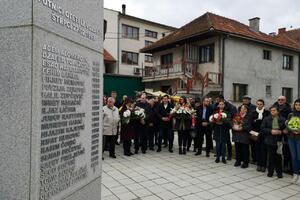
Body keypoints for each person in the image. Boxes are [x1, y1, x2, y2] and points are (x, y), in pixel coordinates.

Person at [261, 106, 285, 178]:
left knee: (278, 157)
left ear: (277, 111)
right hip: (269, 140)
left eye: (274, 110)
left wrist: (280, 132)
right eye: (271, 110)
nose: (272, 112)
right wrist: (271, 131)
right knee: (270, 157)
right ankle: (270, 171)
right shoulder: (266, 119)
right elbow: (262, 129)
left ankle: (279, 172)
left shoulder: (282, 119)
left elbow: (285, 129)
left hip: (279, 141)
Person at [214, 95, 237, 160]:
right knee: (218, 142)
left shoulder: (229, 106)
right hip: (218, 128)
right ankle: (219, 154)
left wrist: (226, 122)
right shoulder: (216, 106)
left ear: (222, 100)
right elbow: (213, 115)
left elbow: (231, 115)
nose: (217, 101)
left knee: (227, 142)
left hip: (225, 127)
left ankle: (229, 155)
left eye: (218, 99)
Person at [273, 96, 292, 174]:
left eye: (282, 100)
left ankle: (286, 166)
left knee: (285, 151)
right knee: (275, 149)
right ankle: (276, 165)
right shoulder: (274, 106)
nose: (280, 101)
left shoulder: (289, 109)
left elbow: (289, 121)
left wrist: (284, 129)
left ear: (285, 100)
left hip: (284, 133)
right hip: (275, 132)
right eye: (279, 100)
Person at [251, 99, 270, 172]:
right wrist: (255, 122)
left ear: (263, 105)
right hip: (256, 134)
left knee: (264, 150)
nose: (259, 105)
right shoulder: (253, 113)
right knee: (257, 150)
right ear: (256, 105)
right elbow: (251, 123)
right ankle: (258, 164)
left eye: (261, 104)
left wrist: (258, 121)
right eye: (258, 104)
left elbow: (267, 122)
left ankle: (263, 165)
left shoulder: (267, 112)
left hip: (264, 134)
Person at [285, 99, 300, 184]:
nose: (297, 106)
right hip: (291, 138)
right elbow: (287, 125)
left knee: (299, 157)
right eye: (296, 104)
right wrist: (289, 129)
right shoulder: (290, 114)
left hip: (299, 139)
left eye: (299, 105)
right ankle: (295, 174)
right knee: (294, 157)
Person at [238, 95, 256, 164]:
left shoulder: (253, 107)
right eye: (244, 99)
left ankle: (254, 159)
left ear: (249, 100)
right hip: (242, 130)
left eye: (247, 99)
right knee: (243, 145)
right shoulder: (240, 107)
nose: (245, 100)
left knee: (253, 145)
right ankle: (243, 158)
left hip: (251, 128)